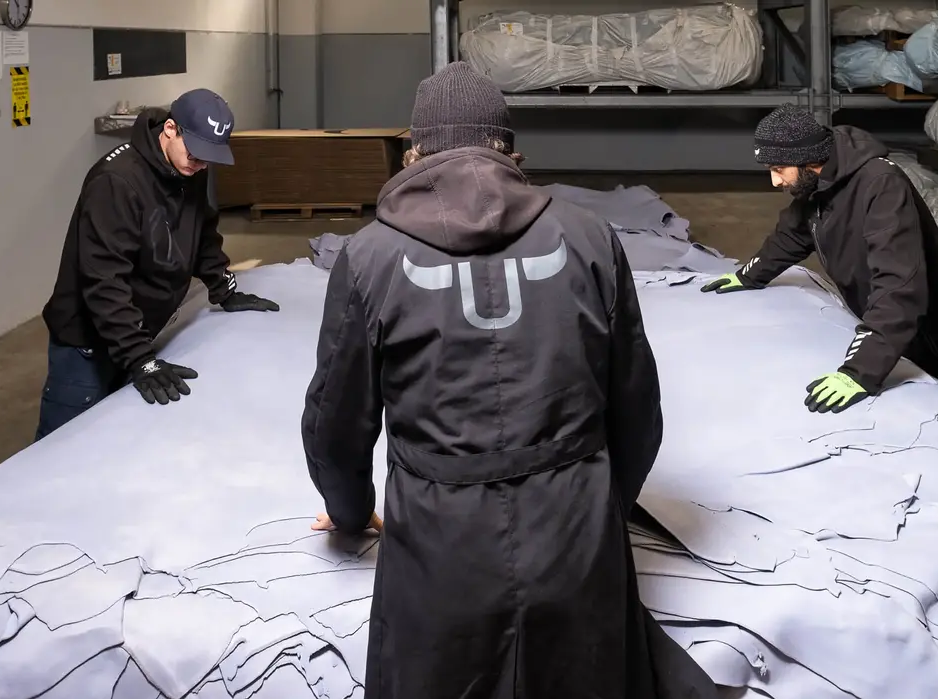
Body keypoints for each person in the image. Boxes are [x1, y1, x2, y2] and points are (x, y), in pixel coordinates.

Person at [301, 62, 717, 699]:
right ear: (511, 152)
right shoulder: (590, 238)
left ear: (413, 153)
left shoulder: (369, 257)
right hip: (575, 541)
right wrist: (597, 507)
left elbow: (338, 424)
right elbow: (637, 408)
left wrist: (350, 513)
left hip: (440, 552)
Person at [701, 105, 938, 418]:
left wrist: (859, 371)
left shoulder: (881, 186)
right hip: (891, 333)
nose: (775, 181)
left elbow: (898, 286)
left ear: (809, 159)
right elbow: (791, 236)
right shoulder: (816, 184)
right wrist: (749, 275)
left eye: (778, 169)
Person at [37, 88, 279, 440]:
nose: (200, 164)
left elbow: (202, 231)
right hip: (86, 343)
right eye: (195, 153)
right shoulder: (116, 182)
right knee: (60, 447)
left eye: (209, 157)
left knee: (113, 440)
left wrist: (222, 287)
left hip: (134, 332)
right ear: (169, 129)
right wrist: (140, 359)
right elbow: (104, 281)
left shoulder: (190, 168)